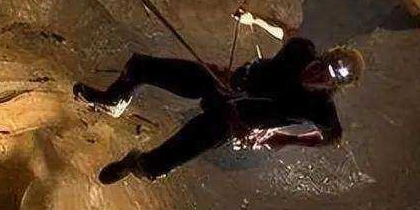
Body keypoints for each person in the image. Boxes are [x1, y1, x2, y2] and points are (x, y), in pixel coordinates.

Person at [74, 38, 364, 184]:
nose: (317, 74)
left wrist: (287, 139)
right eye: (321, 65)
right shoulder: (300, 49)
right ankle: (113, 100)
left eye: (326, 77)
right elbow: (270, 61)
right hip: (222, 85)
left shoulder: (319, 108)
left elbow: (332, 137)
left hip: (231, 120)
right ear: (323, 56)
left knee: (155, 167)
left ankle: (134, 163)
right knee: (140, 65)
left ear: (332, 86)